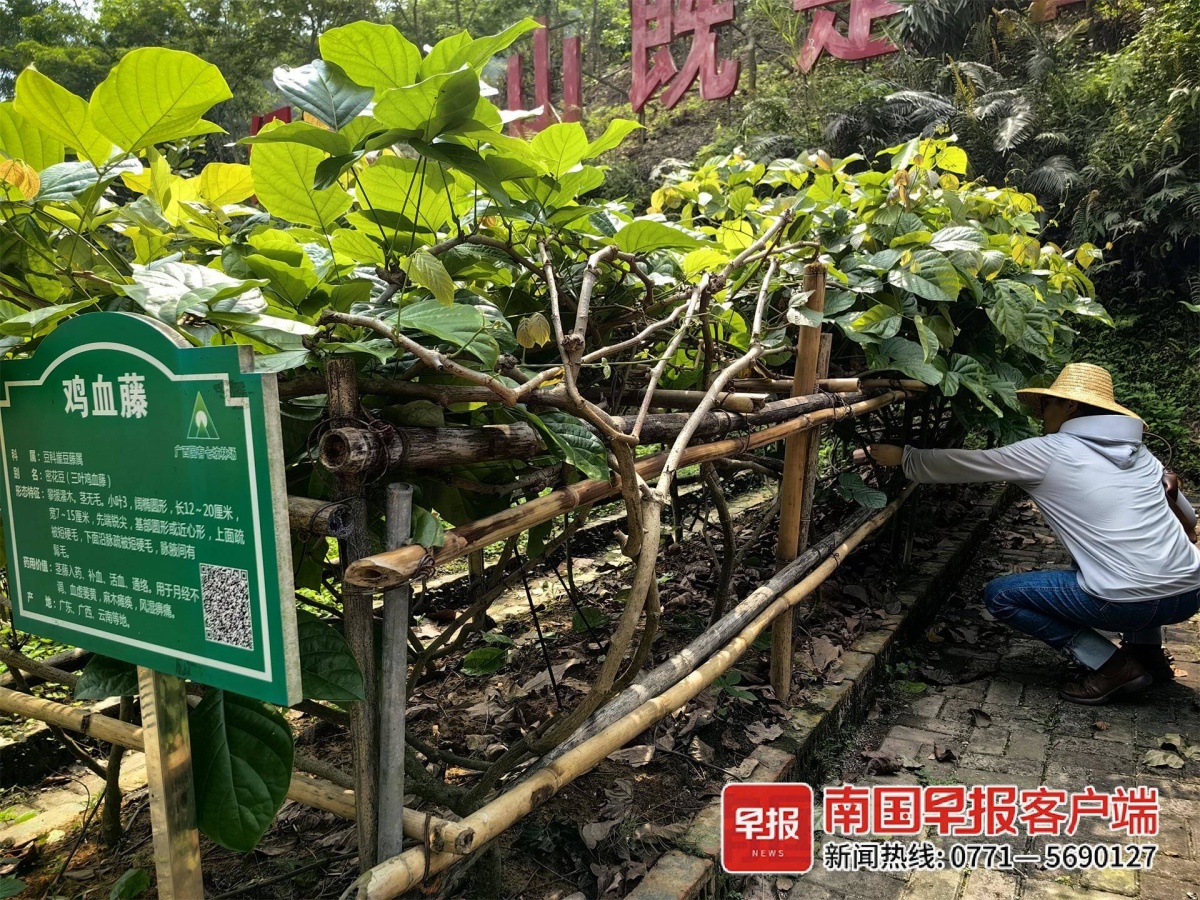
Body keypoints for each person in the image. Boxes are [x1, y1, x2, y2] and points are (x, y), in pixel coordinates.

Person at [853, 362, 1200, 705]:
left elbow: (971, 463)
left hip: (1129, 604)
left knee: (1002, 595)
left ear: (1070, 406)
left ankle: (1113, 667)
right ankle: (1148, 655)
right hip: (1189, 593)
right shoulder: (1141, 453)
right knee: (1133, 562)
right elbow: (1188, 516)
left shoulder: (1048, 452)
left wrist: (905, 457)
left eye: (1047, 403)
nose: (1040, 413)